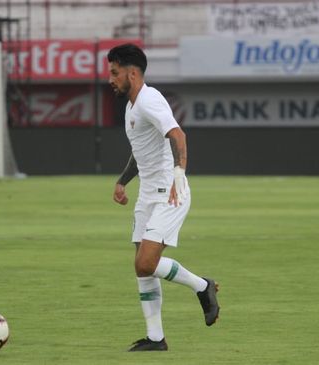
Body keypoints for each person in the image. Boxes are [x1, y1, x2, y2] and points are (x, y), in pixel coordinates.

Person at [107, 44, 220, 352]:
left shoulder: (150, 99)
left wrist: (179, 174)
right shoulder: (131, 107)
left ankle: (202, 286)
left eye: (114, 73)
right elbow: (140, 152)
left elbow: (177, 134)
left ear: (132, 72)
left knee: (146, 262)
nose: (110, 79)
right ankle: (156, 338)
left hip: (169, 193)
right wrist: (122, 182)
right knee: (142, 266)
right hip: (148, 194)